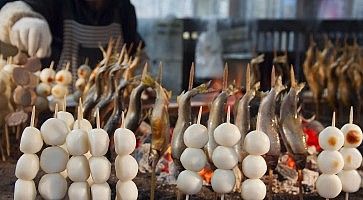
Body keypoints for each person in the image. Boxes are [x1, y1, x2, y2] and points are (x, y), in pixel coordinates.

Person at [0, 0, 144, 71]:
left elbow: (136, 53)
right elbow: (13, 8)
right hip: (62, 103)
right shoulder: (58, 3)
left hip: (112, 106)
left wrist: (142, 79)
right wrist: (21, 18)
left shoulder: (124, 8)